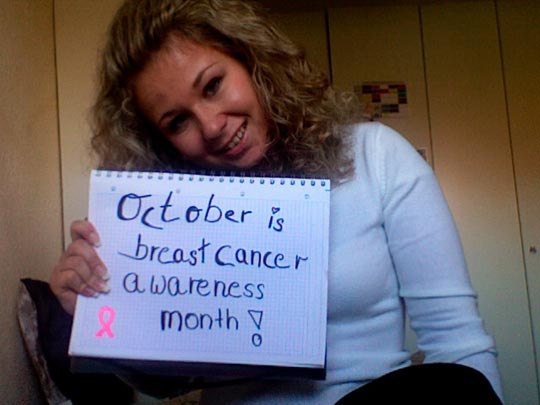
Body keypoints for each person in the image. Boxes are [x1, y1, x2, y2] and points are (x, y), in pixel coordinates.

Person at [49, 0, 503, 403]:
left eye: (212, 85)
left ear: (252, 60)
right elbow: (168, 386)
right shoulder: (170, 221)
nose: (211, 126)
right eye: (177, 122)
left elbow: (459, 343)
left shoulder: (376, 155)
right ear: (160, 141)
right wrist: (99, 304)